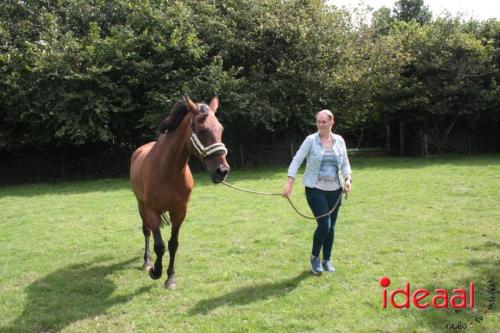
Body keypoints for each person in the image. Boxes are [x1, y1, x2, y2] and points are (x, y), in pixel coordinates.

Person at [282, 109, 352, 274]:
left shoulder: (339, 141)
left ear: (331, 122)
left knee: (331, 227)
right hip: (315, 189)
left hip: (335, 190)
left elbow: (345, 163)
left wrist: (348, 179)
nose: (320, 125)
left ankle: (327, 259)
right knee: (324, 224)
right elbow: (297, 160)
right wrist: (289, 182)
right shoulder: (310, 140)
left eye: (324, 122)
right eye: (318, 122)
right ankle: (315, 258)